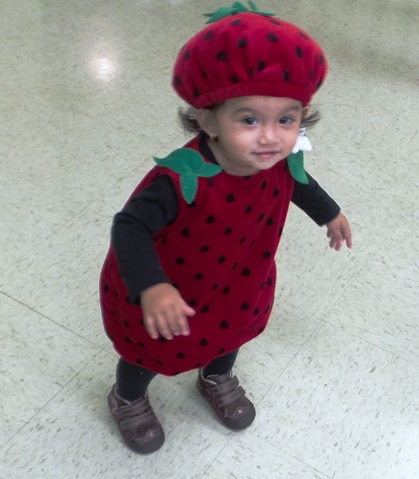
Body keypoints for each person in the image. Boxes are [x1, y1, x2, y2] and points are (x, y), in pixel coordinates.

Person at [99, 1, 352, 454]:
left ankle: (216, 375)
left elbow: (299, 182)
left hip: (238, 278)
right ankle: (128, 396)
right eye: (249, 119)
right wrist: (152, 287)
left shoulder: (277, 158)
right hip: (170, 290)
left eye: (287, 119)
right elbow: (130, 226)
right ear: (207, 118)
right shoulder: (181, 177)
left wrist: (329, 213)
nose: (271, 137)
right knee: (145, 352)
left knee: (233, 330)